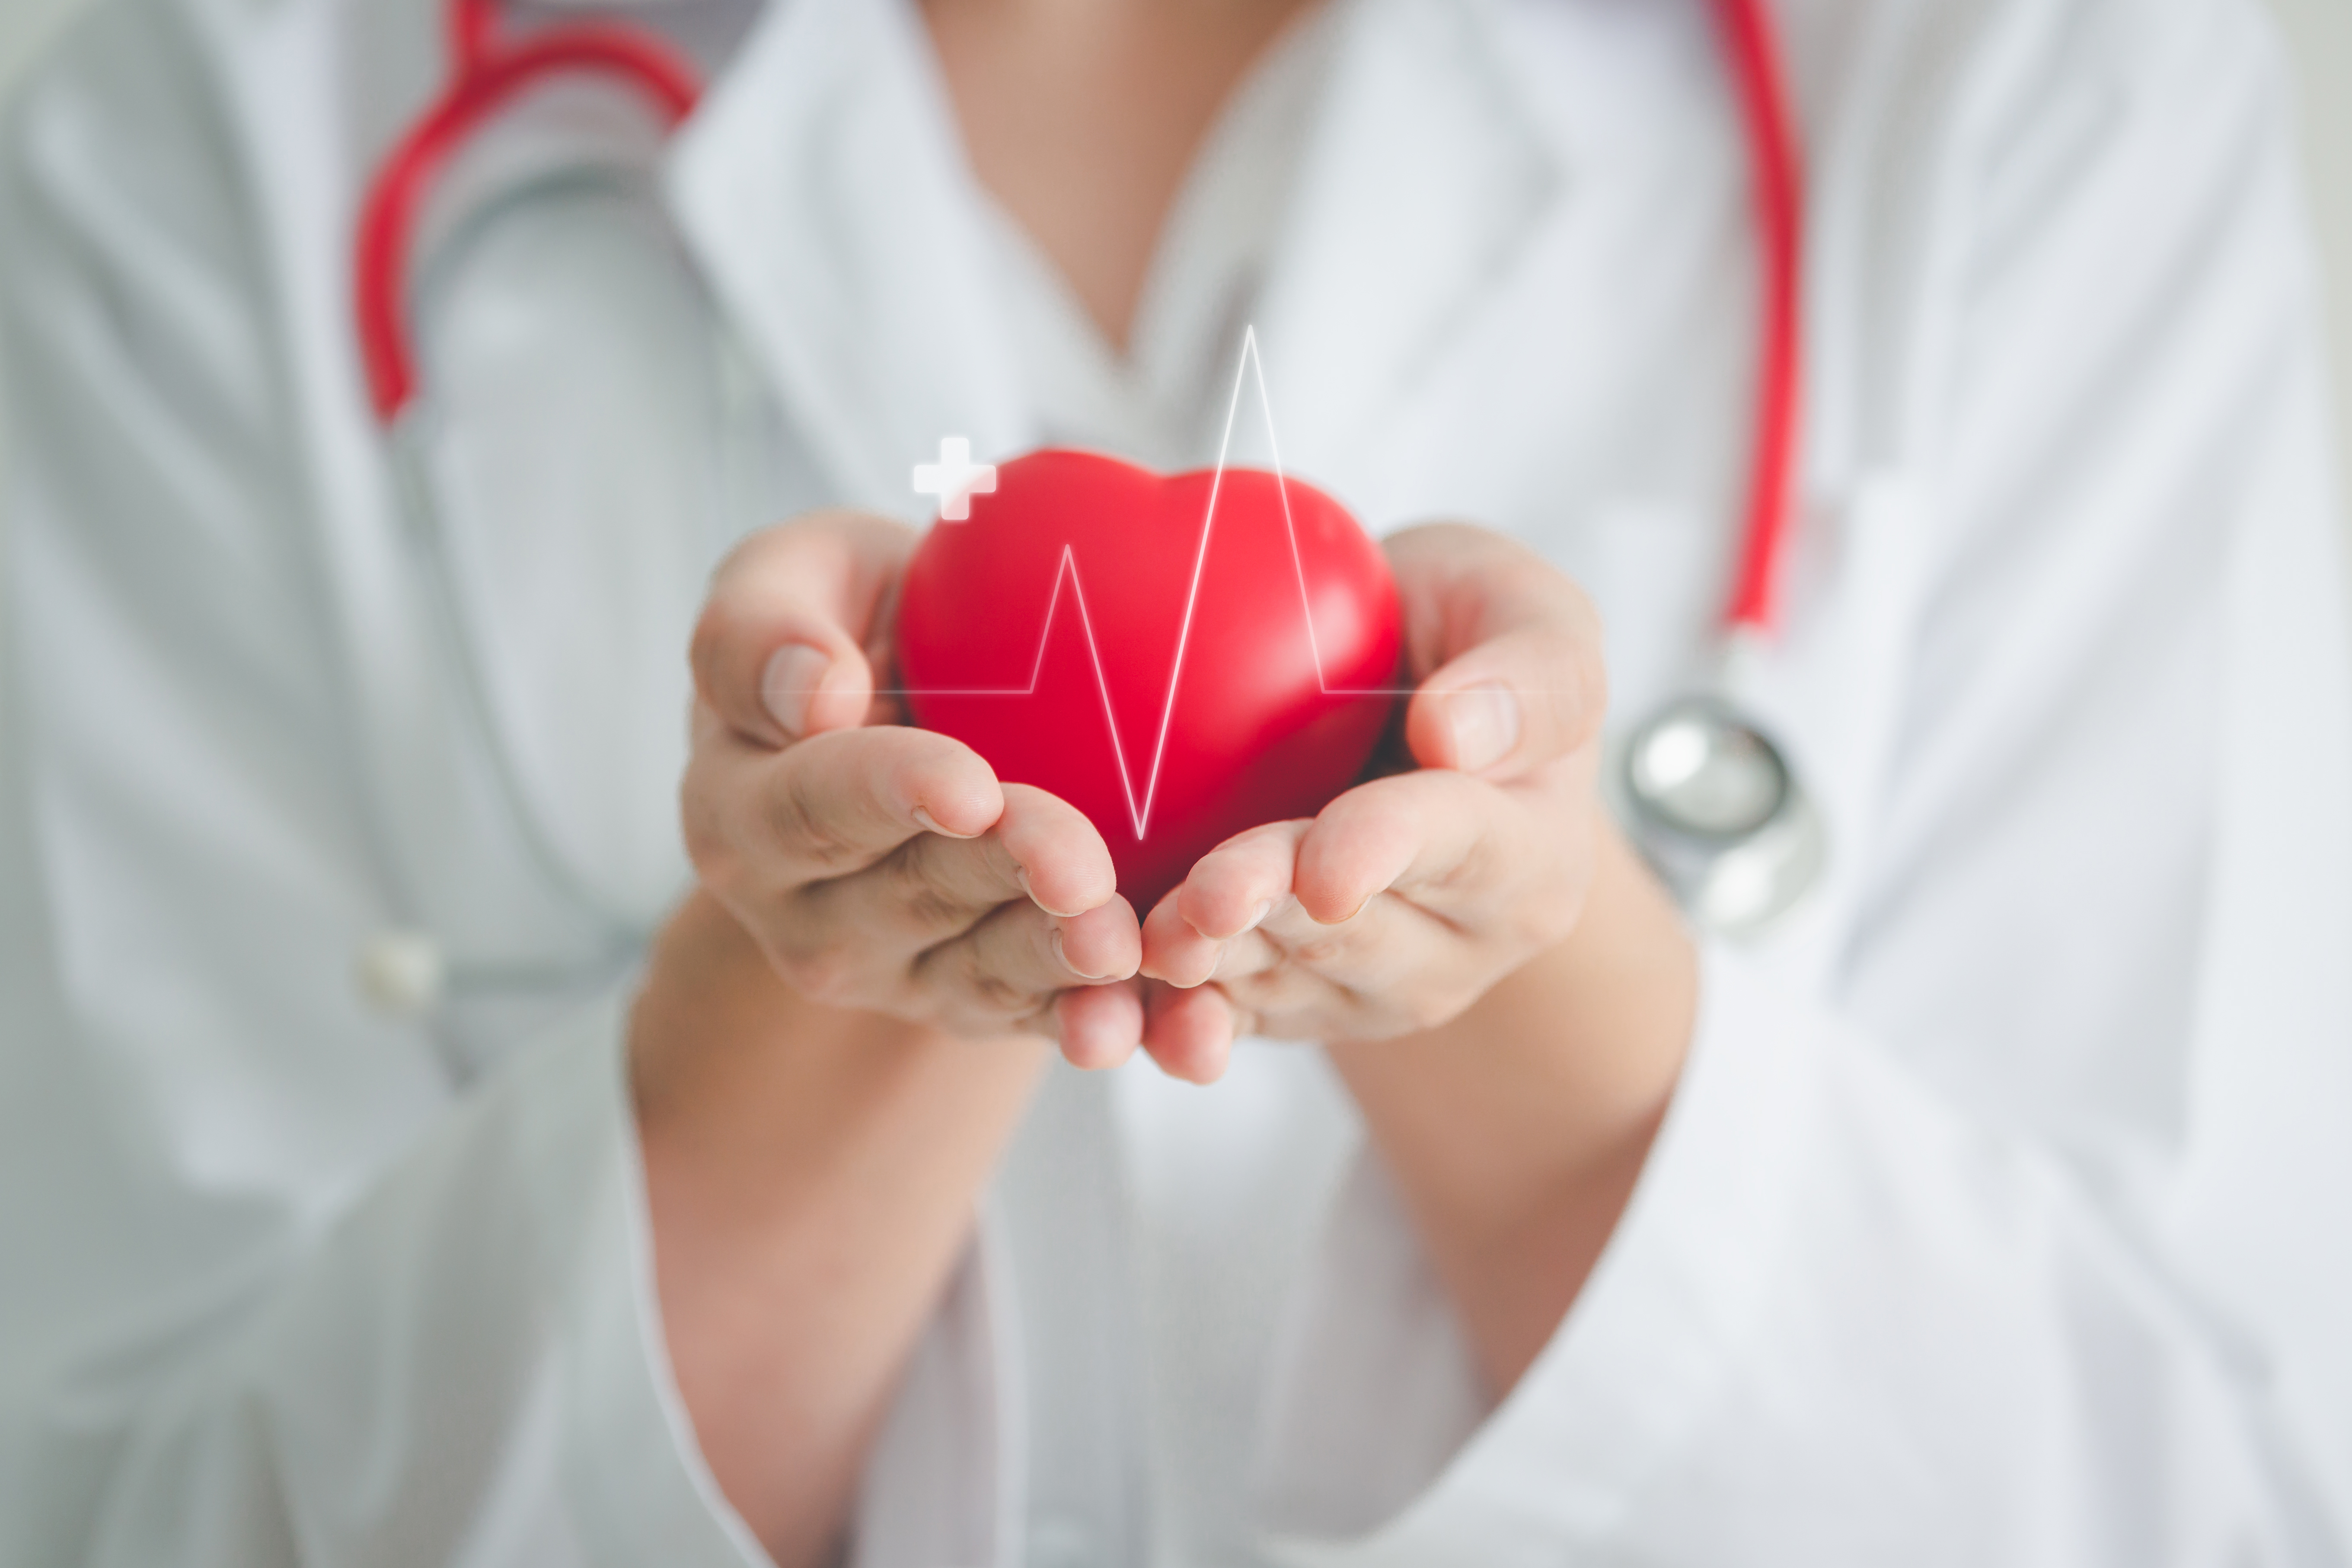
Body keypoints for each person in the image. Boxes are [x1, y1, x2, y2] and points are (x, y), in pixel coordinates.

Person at [2, 0, 2349, 1563]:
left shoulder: (2033, 60)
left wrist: (1529, 965)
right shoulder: (208, 111)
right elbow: (140, 1510)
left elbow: (2189, 1499)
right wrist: (821, 956)